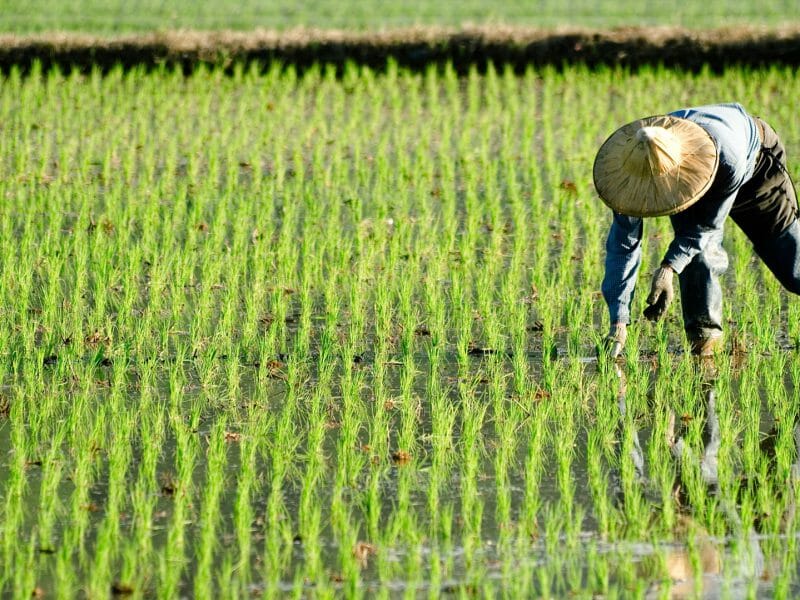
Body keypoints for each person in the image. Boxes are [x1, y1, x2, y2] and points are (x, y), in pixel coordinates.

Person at [593, 103, 800, 356]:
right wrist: (619, 320)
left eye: (659, 187)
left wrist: (668, 267)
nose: (653, 194)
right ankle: (704, 346)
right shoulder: (628, 176)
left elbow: (705, 228)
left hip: (754, 163)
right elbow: (623, 246)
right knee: (697, 261)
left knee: (791, 266)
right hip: (687, 169)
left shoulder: (728, 159)